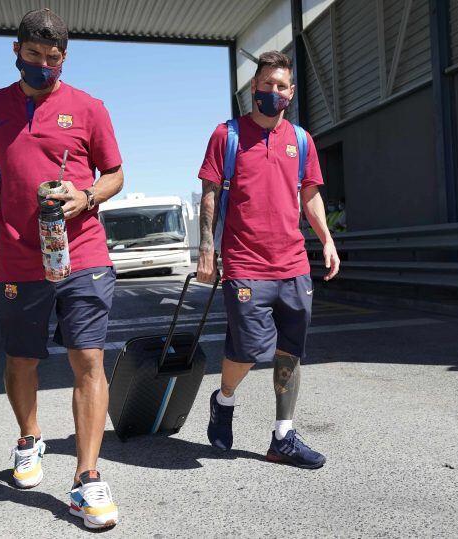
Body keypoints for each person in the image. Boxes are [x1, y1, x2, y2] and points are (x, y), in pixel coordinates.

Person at [0, 9, 123, 530]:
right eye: (34, 56)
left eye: (53, 58)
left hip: (83, 254)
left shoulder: (88, 108)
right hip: (19, 257)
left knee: (88, 360)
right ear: (16, 51)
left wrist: (84, 196)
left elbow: (115, 173)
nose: (43, 66)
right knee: (21, 359)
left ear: (65, 58)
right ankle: (29, 438)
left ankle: (87, 478)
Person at [196, 51, 340, 468]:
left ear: (290, 93)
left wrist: (326, 240)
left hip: (293, 263)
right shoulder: (228, 136)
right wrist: (208, 247)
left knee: (289, 351)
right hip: (244, 263)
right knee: (247, 350)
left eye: (281, 86)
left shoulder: (301, 140)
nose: (272, 92)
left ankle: (283, 436)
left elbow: (309, 195)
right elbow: (209, 192)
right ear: (253, 88)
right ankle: (224, 400)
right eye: (266, 84)